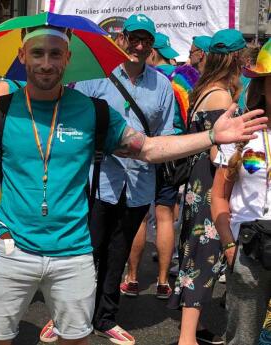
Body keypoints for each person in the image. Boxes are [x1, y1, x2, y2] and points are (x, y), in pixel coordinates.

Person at [0, 22, 266, 345]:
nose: (47, 63)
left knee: (76, 338)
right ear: (23, 57)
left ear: (68, 60)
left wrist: (211, 138)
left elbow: (148, 149)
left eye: (56, 54)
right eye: (38, 53)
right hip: (10, 251)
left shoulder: (91, 111)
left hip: (72, 254)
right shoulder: (0, 110)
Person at [57, 15, 176, 344]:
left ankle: (105, 317)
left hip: (138, 185)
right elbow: (75, 119)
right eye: (134, 38)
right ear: (122, 38)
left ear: (152, 45)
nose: (139, 46)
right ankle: (70, 315)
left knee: (117, 254)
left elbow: (166, 135)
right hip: (98, 180)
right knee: (87, 251)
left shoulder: (162, 86)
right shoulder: (98, 77)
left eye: (146, 41)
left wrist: (140, 150)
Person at [167, 29, 247, 345]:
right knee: (204, 259)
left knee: (195, 253)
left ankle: (193, 330)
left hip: (196, 182)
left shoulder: (205, 87)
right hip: (208, 184)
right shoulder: (222, 95)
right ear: (236, 58)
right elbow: (218, 151)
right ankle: (187, 338)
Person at [123, 32, 193, 302]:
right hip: (169, 154)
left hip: (141, 154)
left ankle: (132, 278)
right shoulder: (182, 78)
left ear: (153, 51)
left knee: (139, 217)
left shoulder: (154, 80)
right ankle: (164, 280)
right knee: (165, 217)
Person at [211, 39, 271, 345]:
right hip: (248, 250)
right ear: (264, 86)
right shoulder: (243, 133)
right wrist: (229, 246)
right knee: (242, 338)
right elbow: (218, 195)